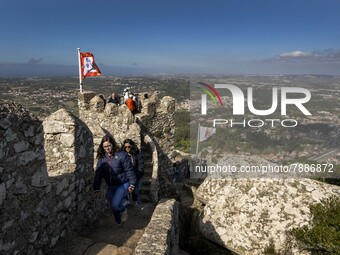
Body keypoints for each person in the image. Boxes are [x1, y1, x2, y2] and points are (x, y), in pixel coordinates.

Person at [93, 135, 136, 226]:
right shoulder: (102, 158)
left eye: (109, 145)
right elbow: (98, 174)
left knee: (116, 205)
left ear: (112, 144)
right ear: (102, 147)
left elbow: (129, 170)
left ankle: (124, 210)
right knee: (113, 207)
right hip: (111, 185)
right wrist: (96, 188)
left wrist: (132, 184)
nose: (107, 148)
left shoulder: (121, 155)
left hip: (122, 184)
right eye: (105, 146)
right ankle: (118, 223)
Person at [121, 139, 144, 205]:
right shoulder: (122, 155)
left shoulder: (137, 154)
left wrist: (136, 176)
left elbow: (141, 166)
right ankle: (127, 204)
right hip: (126, 177)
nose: (127, 148)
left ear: (132, 146)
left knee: (136, 191)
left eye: (129, 147)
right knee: (125, 190)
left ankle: (136, 204)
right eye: (125, 147)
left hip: (136, 176)